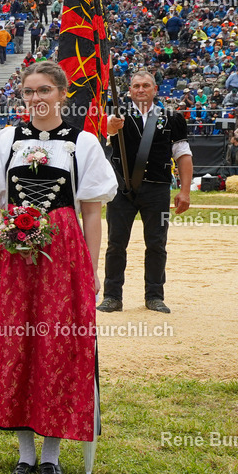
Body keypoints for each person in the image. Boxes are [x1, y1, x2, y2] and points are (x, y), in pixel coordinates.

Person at [0, 61, 118, 474]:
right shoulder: (7, 139)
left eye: (44, 91)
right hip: (14, 255)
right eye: (28, 92)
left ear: (61, 93)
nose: (35, 99)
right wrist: (9, 230)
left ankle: (51, 453)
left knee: (58, 344)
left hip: (63, 253)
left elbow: (92, 212)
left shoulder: (83, 142)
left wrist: (91, 267)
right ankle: (24, 452)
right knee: (16, 341)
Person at [98, 70, 193, 314]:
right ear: (129, 91)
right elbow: (103, 133)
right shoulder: (115, 114)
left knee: (157, 244)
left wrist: (185, 191)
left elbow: (183, 155)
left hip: (157, 189)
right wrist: (109, 127)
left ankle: (154, 296)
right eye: (136, 86)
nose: (141, 89)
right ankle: (112, 296)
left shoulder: (172, 118)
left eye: (146, 85)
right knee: (116, 244)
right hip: (121, 189)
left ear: (155, 89)